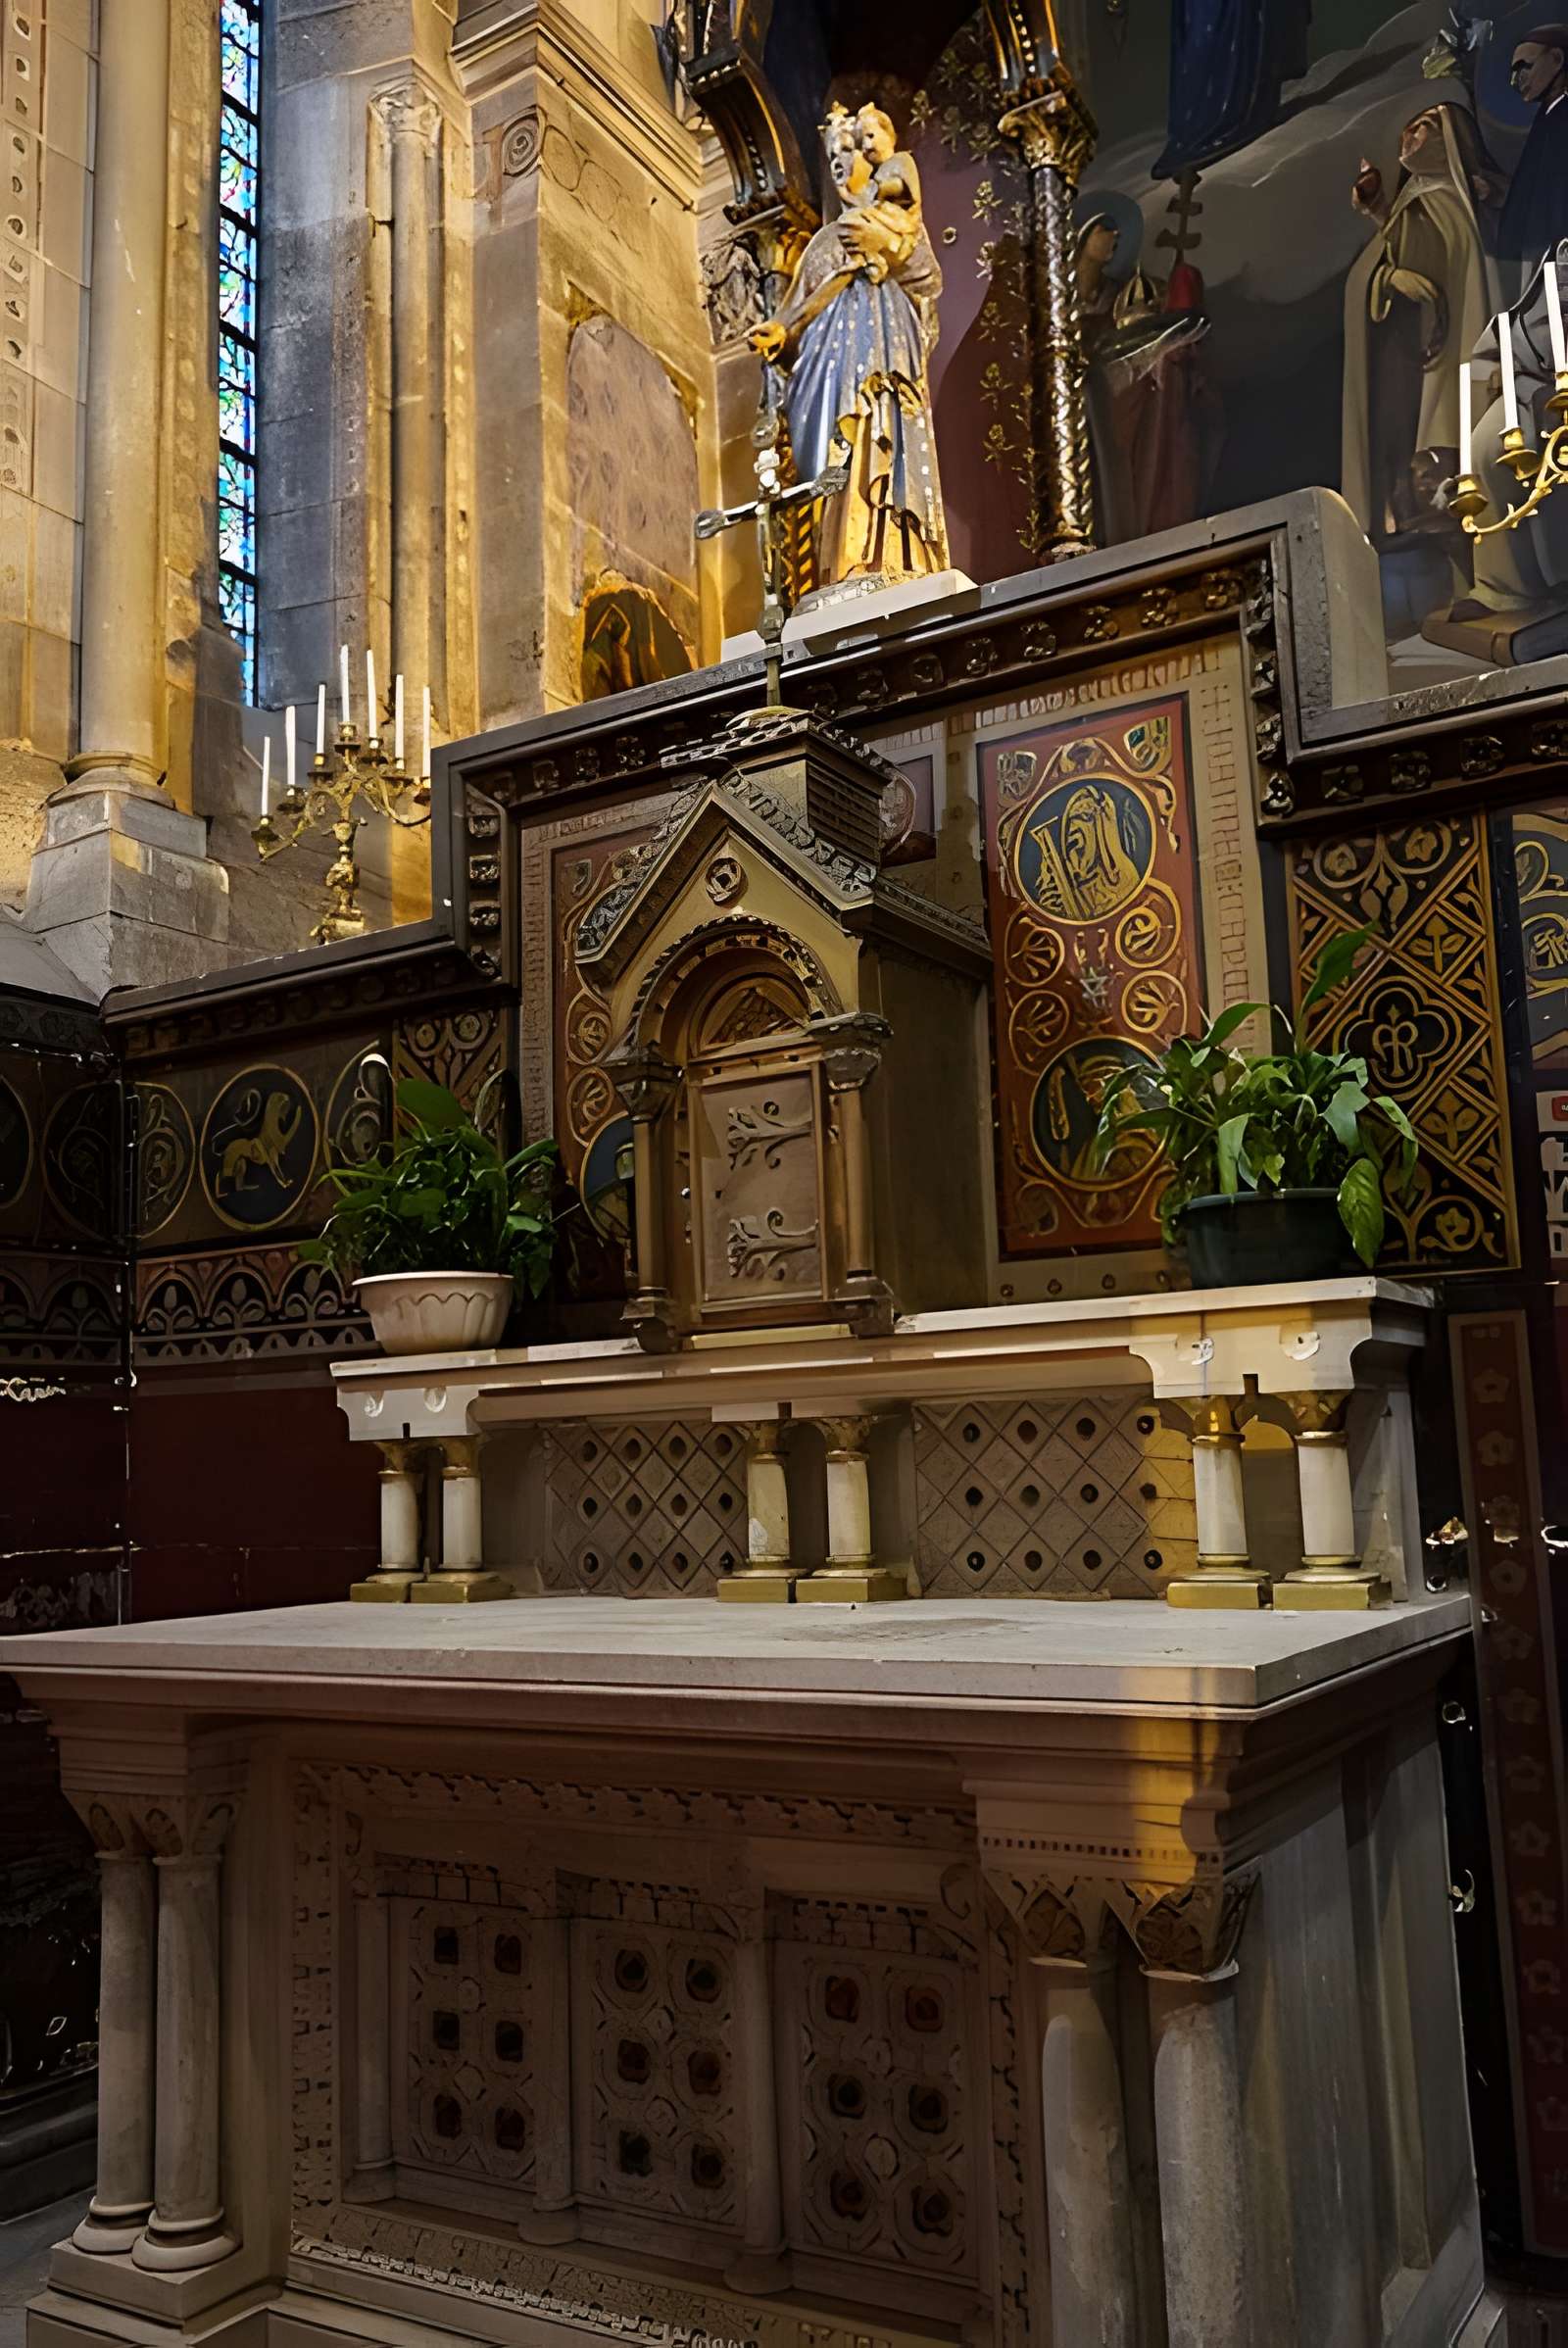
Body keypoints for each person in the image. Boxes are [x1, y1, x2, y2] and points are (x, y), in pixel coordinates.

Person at [749, 104, 949, 586]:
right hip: (829, 377)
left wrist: (884, 251)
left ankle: (897, 554)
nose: (840, 164)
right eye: (831, 159)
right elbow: (799, 312)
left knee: (883, 425)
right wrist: (781, 334)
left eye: (847, 153)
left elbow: (926, 283)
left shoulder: (896, 223)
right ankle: (843, 556)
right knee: (835, 457)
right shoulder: (822, 244)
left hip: (885, 360)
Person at [1342, 100, 1496, 549]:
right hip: (1413, 349)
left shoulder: (1453, 198)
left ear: (1451, 140)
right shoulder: (1421, 199)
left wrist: (1384, 231)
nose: (1408, 137)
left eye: (1423, 128)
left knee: (1440, 435)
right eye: (1406, 130)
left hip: (1444, 347)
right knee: (1408, 437)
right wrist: (1381, 224)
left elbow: (1430, 262)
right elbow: (1406, 261)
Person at [1497, 25, 1568, 285]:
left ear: (1557, 59)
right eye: (1515, 71)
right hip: (1541, 259)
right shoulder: (1548, 118)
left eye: (1525, 66)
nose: (1518, 79)